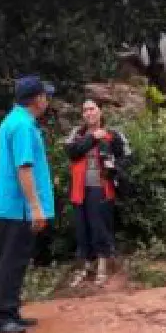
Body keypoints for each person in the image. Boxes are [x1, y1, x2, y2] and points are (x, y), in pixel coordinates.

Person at [0, 75, 55, 333]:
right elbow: (24, 168)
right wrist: (36, 207)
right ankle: (0, 318)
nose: (47, 100)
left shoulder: (13, 121)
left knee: (14, 261)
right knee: (11, 262)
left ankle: (9, 311)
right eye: (45, 95)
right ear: (37, 99)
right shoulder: (23, 126)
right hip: (18, 208)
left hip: (12, 207)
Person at [65, 99, 130, 288]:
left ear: (100, 111)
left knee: (100, 226)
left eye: (92, 109)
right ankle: (85, 266)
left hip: (101, 188)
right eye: (85, 110)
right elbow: (73, 152)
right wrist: (93, 137)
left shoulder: (113, 135)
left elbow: (126, 156)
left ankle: (103, 266)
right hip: (79, 189)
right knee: (81, 228)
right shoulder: (76, 135)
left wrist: (115, 168)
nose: (88, 113)